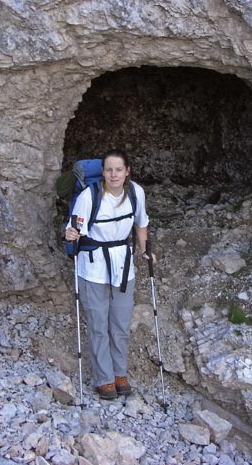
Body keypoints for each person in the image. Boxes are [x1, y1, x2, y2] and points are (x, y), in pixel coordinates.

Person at [64, 149, 155, 400]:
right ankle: (104, 378)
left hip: (123, 265)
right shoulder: (89, 196)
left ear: (127, 171)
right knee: (98, 324)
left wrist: (146, 249)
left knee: (121, 324)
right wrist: (71, 234)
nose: (113, 174)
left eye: (118, 169)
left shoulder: (136, 192)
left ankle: (119, 373)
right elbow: (73, 228)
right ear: (102, 172)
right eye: (108, 170)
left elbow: (141, 222)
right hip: (93, 267)